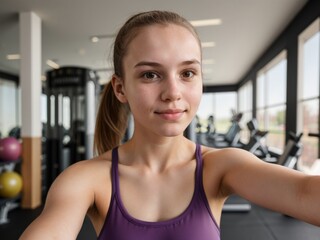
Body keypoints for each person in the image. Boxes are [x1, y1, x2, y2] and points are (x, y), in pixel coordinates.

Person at [20, 10, 320, 240]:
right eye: (150, 74)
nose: (173, 92)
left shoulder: (222, 167)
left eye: (188, 73)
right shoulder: (85, 180)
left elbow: (305, 193)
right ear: (120, 88)